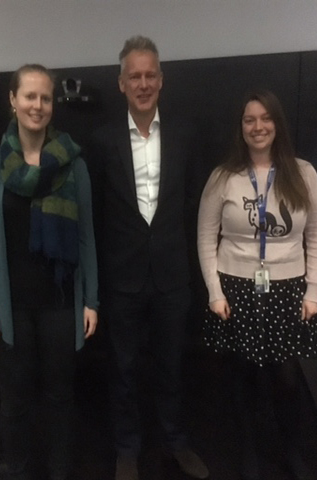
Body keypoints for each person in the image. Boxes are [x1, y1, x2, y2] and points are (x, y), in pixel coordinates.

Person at [87, 36, 209, 480]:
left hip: (173, 275)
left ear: (162, 79)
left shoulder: (185, 133)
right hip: (122, 278)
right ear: (121, 84)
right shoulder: (100, 140)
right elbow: (96, 211)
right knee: (122, 368)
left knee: (173, 364)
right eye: (134, 76)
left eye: (150, 75)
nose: (143, 83)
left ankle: (176, 442)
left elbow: (194, 198)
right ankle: (127, 450)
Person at [0, 64, 98, 480]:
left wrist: (91, 300)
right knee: (15, 401)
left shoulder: (72, 165)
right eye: (29, 96)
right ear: (13, 100)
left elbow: (86, 239)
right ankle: (21, 471)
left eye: (45, 98)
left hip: (60, 303)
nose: (37, 105)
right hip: (11, 308)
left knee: (61, 399)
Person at [197, 89, 317, 480]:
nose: (258, 127)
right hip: (235, 287)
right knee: (243, 376)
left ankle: (290, 451)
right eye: (249, 119)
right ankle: (249, 454)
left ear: (277, 124)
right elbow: (206, 237)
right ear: (241, 127)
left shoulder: (303, 173)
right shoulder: (223, 177)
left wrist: (314, 289)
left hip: (289, 287)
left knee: (285, 378)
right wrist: (214, 291)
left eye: (265, 118)